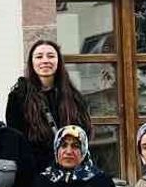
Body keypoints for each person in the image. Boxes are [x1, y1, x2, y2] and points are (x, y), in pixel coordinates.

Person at [6, 40, 91, 170]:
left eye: (51, 56)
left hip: (70, 169)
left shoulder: (73, 96)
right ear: (31, 62)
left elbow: (84, 132)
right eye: (39, 57)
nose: (45, 61)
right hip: (35, 172)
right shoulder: (19, 97)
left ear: (58, 61)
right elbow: (16, 139)